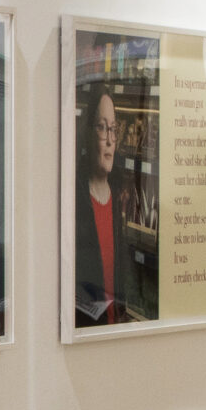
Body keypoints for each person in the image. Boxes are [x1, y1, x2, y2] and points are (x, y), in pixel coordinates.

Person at [78, 90, 130, 326]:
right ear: (87, 133)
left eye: (113, 129)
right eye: (101, 127)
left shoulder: (118, 196)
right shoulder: (75, 197)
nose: (109, 140)